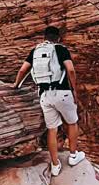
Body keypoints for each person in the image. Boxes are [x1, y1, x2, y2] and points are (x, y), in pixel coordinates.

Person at [13, 25, 86, 177]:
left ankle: (55, 164)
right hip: (62, 92)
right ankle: (73, 156)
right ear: (58, 38)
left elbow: (22, 70)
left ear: (44, 38)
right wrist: (75, 90)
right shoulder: (61, 49)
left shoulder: (36, 51)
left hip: (44, 95)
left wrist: (16, 85)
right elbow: (70, 70)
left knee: (52, 129)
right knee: (72, 123)